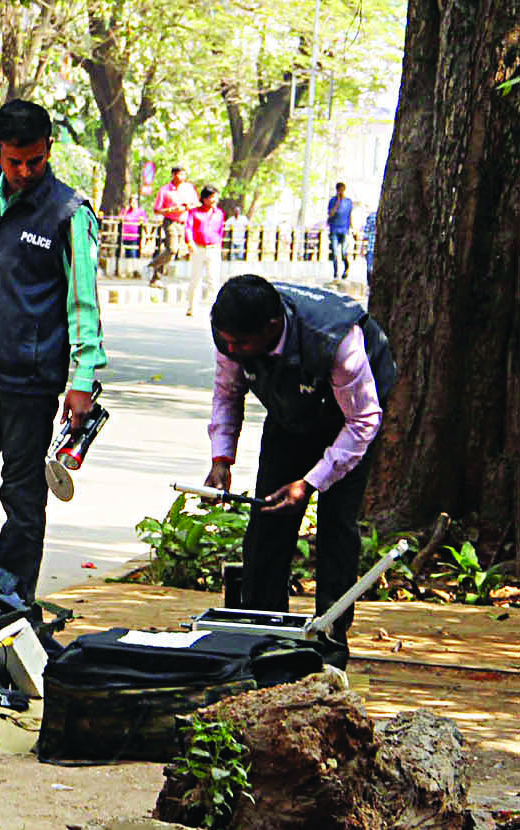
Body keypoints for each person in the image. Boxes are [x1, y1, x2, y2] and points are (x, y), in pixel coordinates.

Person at [0, 99, 106, 603]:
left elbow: (84, 303)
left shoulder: (69, 212)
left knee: (22, 502)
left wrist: (82, 380)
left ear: (49, 148)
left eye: (35, 160)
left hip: (32, 383)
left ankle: (11, 606)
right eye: (15, 161)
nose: (25, 171)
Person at [203, 275, 397, 639]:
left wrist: (309, 484)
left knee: (337, 525)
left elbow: (362, 422)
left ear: (271, 328)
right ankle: (263, 632)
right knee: (267, 519)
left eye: (241, 343)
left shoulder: (336, 342)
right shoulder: (232, 334)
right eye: (226, 341)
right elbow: (227, 393)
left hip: (351, 417)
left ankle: (330, 636)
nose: (231, 348)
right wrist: (221, 459)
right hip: (290, 412)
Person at [146, 166, 197, 286]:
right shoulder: (165, 190)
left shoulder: (188, 188)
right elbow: (156, 210)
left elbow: (196, 203)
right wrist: (172, 210)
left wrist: (187, 207)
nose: (182, 177)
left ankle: (156, 278)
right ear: (173, 175)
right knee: (172, 249)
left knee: (175, 253)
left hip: (184, 223)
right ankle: (150, 266)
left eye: (184, 174)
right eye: (180, 174)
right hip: (170, 222)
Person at [184, 185, 225, 318]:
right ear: (204, 198)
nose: (214, 200)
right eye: (211, 197)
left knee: (213, 279)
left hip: (213, 248)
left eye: (216, 197)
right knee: (195, 278)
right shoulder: (195, 212)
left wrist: (219, 244)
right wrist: (189, 242)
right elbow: (188, 228)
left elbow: (220, 231)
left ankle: (215, 309)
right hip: (198, 248)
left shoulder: (219, 213)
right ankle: (192, 307)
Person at [327, 182, 353, 279]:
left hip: (345, 230)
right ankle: (336, 272)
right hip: (334, 229)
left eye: (342, 190)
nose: (341, 192)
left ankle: (346, 268)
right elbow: (330, 214)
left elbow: (350, 215)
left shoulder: (348, 202)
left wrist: (351, 227)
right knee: (334, 252)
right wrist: (337, 202)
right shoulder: (332, 201)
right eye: (339, 190)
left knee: (343, 252)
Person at [363, 207, 378, 287]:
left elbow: (365, 234)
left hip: (370, 247)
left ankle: (369, 285)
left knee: (369, 268)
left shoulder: (371, 216)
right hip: (379, 247)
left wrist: (363, 248)